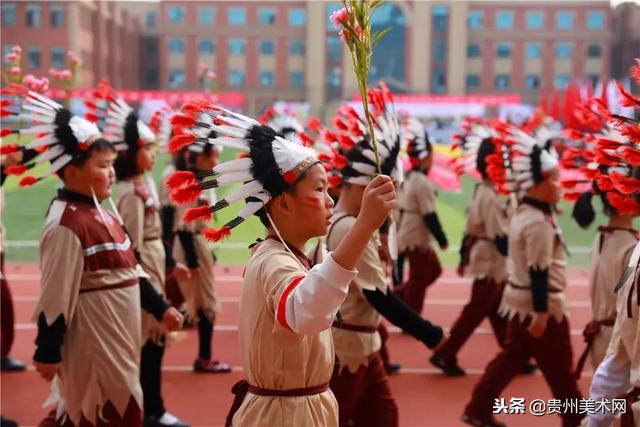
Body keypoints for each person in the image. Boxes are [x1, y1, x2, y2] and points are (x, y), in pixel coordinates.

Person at [163, 102, 397, 427]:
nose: (330, 200)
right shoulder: (273, 261)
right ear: (283, 203)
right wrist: (363, 226)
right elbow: (308, 310)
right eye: (319, 189)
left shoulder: (287, 255)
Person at [1, 85, 183, 426]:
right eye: (102, 165)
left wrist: (161, 307)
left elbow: (132, 270)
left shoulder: (106, 212)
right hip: (93, 346)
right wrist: (48, 350)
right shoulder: (66, 223)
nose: (112, 172)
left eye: (113, 164)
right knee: (98, 414)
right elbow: (55, 295)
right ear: (71, 172)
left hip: (119, 345)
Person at [322, 91, 445, 427]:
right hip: (346, 348)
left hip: (365, 344)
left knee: (384, 417)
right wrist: (428, 332)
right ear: (367, 188)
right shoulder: (349, 228)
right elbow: (378, 295)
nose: (392, 203)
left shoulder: (348, 222)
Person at [463, 126, 583, 427]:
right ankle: (576, 418)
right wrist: (541, 313)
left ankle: (477, 408)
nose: (559, 184)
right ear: (538, 186)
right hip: (539, 308)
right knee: (560, 369)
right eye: (553, 179)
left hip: (518, 301)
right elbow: (539, 271)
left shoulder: (526, 212)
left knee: (510, 360)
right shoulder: (538, 223)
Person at [108, 96, 189, 427]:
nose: (156, 154)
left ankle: (152, 407)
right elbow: (134, 245)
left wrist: (170, 264)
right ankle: (150, 409)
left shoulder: (144, 185)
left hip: (156, 265)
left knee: (155, 343)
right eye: (149, 149)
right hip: (145, 272)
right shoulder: (128, 192)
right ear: (131, 153)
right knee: (149, 345)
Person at [431, 126, 509, 376]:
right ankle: (445, 352)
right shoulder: (490, 196)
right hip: (489, 259)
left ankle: (512, 353)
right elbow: (500, 239)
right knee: (475, 311)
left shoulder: (483, 191)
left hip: (485, 256)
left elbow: (470, 230)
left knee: (495, 308)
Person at [168, 111, 230, 373]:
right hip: (192, 244)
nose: (217, 159)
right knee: (205, 304)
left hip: (199, 243)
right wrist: (193, 262)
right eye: (213, 155)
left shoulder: (204, 181)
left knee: (202, 303)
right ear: (199, 156)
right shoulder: (191, 183)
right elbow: (183, 228)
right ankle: (204, 358)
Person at [396, 117, 447, 315]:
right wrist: (442, 239)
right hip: (416, 235)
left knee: (432, 271)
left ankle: (399, 298)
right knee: (419, 278)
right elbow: (429, 214)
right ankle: (410, 313)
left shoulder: (410, 176)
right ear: (425, 158)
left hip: (409, 230)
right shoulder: (421, 182)